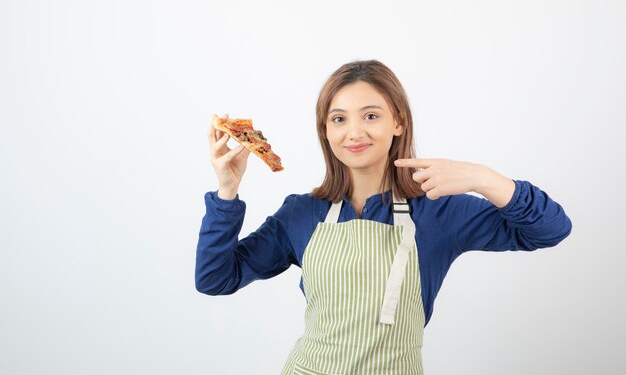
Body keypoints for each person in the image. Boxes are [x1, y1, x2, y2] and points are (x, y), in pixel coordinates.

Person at [195, 60, 572, 375]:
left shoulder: (439, 209)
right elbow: (215, 279)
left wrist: (482, 178)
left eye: (370, 115)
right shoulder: (302, 213)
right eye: (338, 119)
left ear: (399, 122)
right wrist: (227, 191)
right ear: (325, 132)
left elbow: (550, 229)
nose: (354, 132)